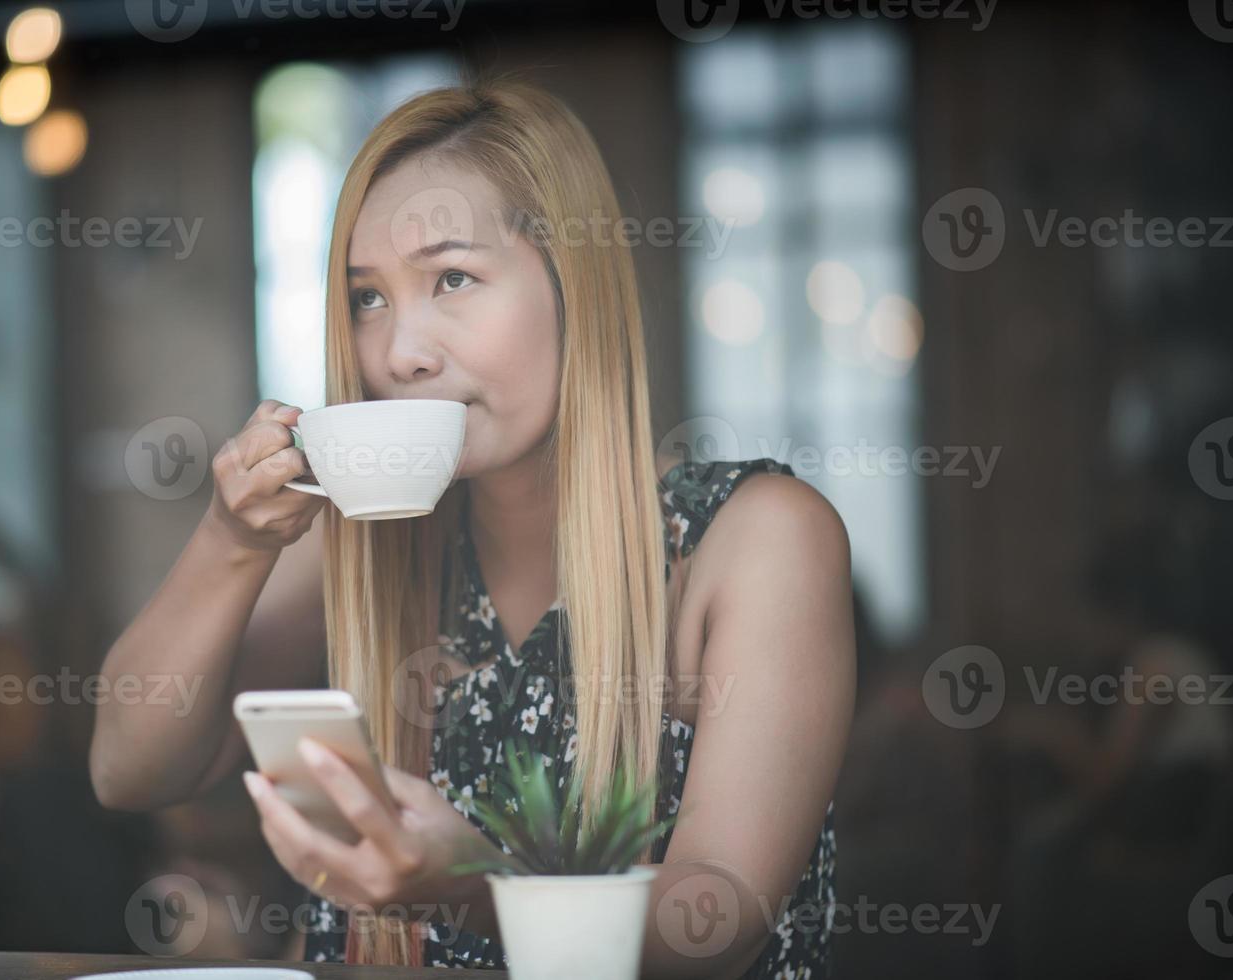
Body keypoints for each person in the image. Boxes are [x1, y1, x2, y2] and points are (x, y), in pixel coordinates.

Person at [90, 78, 856, 978]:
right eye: (368, 298)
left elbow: (713, 918)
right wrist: (232, 541)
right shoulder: (371, 539)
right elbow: (130, 770)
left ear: (576, 287)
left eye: (451, 279)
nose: (398, 353)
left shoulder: (756, 539)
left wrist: (473, 883)